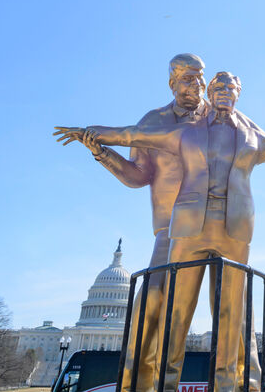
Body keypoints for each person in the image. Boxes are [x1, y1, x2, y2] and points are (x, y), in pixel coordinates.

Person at [59, 71, 265, 392]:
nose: (225, 91)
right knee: (174, 316)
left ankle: (232, 387)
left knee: (234, 317)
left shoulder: (254, 138)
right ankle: (163, 385)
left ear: (238, 93)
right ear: (209, 94)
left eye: (231, 87)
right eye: (218, 87)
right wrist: (92, 134)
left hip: (234, 229)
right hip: (189, 228)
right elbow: (134, 135)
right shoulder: (185, 133)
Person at [57, 53, 208, 392]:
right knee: (152, 300)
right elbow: (138, 176)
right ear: (172, 83)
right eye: (187, 78)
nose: (195, 85)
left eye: (200, 77)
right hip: (170, 229)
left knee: (218, 307)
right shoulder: (153, 120)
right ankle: (137, 384)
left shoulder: (218, 119)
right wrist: (102, 152)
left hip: (214, 227)